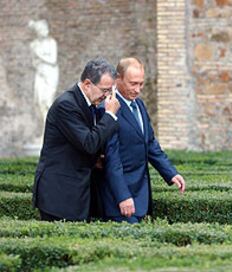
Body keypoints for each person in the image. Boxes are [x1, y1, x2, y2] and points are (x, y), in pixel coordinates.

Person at [32, 57, 120, 221]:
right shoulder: (66, 105)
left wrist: (96, 159)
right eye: (105, 90)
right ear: (87, 84)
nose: (108, 96)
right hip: (59, 195)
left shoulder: (88, 103)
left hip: (77, 191)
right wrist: (109, 115)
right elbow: (89, 143)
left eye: (111, 91)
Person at [99, 57, 185, 223]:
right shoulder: (109, 109)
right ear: (117, 80)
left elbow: (150, 143)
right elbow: (112, 158)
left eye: (141, 84)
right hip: (119, 200)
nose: (138, 89)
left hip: (141, 196)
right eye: (133, 84)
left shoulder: (139, 105)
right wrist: (122, 196)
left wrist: (171, 172)